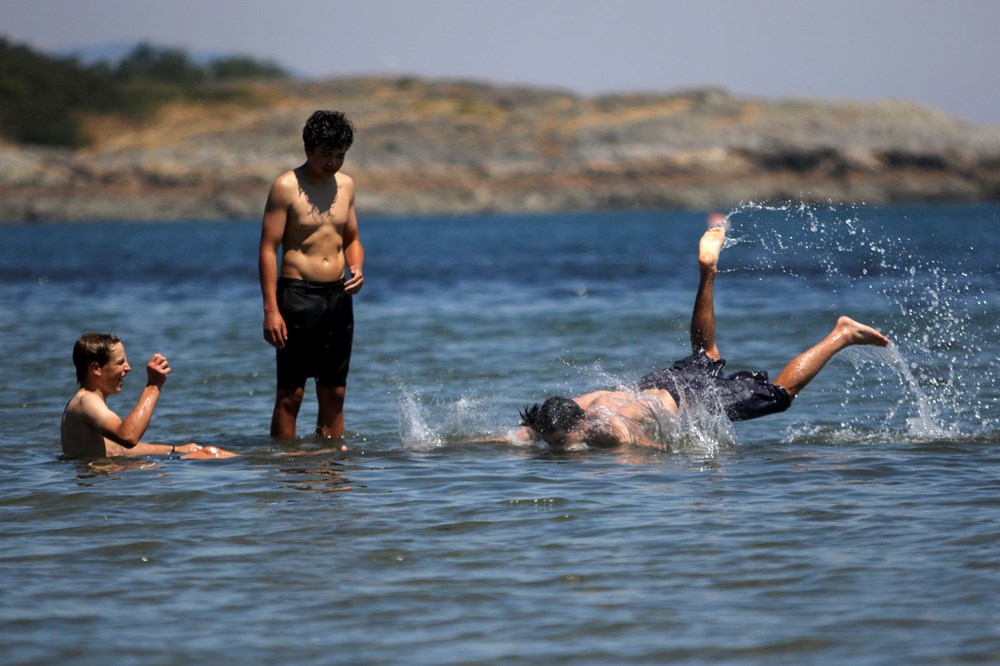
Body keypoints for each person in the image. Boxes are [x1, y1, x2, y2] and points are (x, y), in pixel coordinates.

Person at [515, 213, 891, 449]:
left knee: (781, 396)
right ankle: (707, 273)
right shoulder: (571, 408)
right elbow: (524, 432)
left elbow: (650, 450)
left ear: (579, 423)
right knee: (704, 353)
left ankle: (841, 335)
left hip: (693, 398)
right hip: (661, 385)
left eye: (564, 443)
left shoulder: (607, 427)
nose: (561, 449)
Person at [259, 110, 365, 440]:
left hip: (338, 297)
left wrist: (357, 266)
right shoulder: (285, 187)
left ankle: (329, 468)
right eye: (326, 155)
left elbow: (352, 239)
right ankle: (287, 468)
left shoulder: (345, 186)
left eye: (340, 156)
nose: (333, 163)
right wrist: (271, 311)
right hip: (297, 297)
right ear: (308, 150)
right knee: (291, 396)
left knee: (334, 394)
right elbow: (267, 249)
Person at [60, 333, 237, 460]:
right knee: (210, 453)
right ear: (96, 369)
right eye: (120, 363)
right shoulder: (87, 401)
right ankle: (257, 467)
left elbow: (119, 449)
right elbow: (128, 436)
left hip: (112, 481)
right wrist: (153, 385)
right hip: (110, 488)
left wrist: (176, 449)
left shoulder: (84, 402)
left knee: (203, 451)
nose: (128, 368)